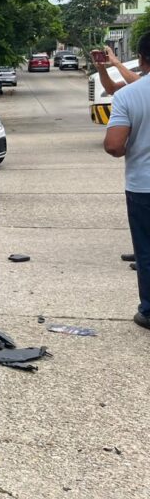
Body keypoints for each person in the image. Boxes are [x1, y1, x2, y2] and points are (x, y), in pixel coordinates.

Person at [103, 31, 150, 329]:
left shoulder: (129, 95)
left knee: (146, 251)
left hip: (143, 187)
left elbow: (114, 146)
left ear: (142, 58)